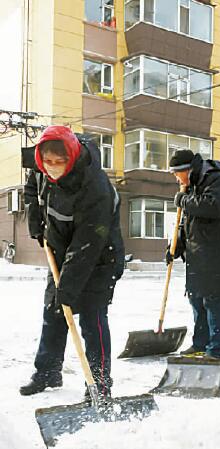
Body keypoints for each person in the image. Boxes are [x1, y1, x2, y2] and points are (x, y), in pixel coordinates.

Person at [20, 126, 125, 400]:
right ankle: (47, 372)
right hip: (60, 248)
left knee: (92, 318)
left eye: (60, 162)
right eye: (49, 163)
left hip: (100, 255)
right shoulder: (41, 167)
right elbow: (32, 187)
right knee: (54, 311)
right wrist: (35, 217)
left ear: (72, 157)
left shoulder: (95, 187)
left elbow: (89, 242)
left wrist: (68, 285)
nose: (53, 169)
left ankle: (100, 385)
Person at [167, 149, 220, 364]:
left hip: (218, 256)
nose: (176, 178)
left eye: (177, 173)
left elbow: (213, 207)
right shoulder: (194, 185)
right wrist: (177, 245)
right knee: (197, 300)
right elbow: (190, 222)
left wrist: (183, 200)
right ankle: (200, 345)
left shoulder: (215, 179)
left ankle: (218, 351)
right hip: (200, 256)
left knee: (214, 303)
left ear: (187, 170)